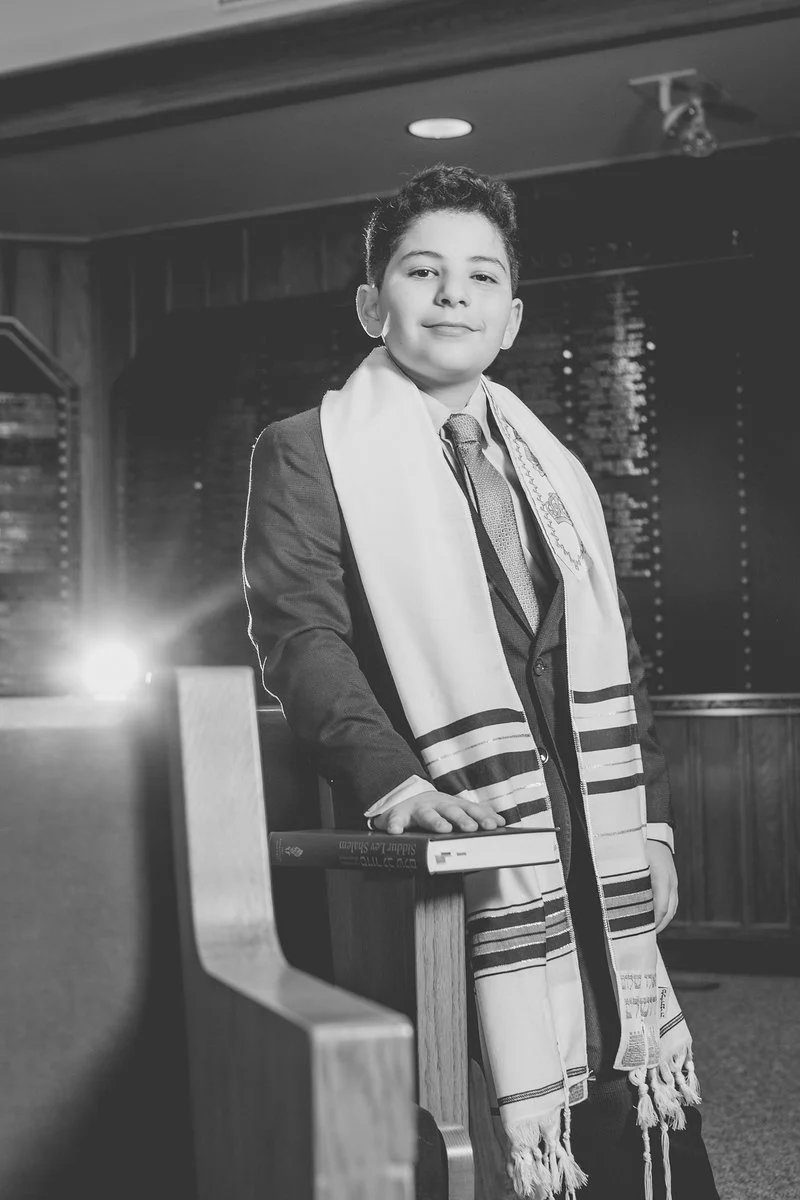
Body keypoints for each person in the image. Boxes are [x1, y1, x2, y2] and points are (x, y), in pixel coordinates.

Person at [242, 164, 718, 1199]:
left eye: (480, 277)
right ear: (372, 304)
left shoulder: (554, 469)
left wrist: (653, 825)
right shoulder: (307, 453)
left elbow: (612, 656)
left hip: (584, 826)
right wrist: (395, 783)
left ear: (510, 319)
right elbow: (302, 639)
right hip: (447, 823)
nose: (452, 294)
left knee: (619, 1069)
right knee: (477, 1106)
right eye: (422, 271)